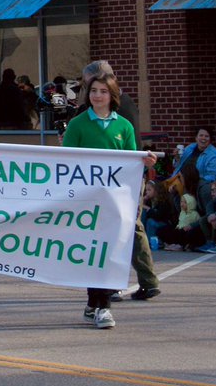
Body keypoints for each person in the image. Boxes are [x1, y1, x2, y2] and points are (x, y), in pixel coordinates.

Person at [62, 71, 157, 329]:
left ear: (112, 95)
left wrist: (145, 161)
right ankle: (98, 303)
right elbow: (66, 160)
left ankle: (100, 305)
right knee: (94, 251)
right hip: (87, 198)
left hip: (116, 200)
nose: (97, 96)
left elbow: (132, 160)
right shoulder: (78, 124)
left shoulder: (123, 126)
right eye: (93, 91)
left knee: (109, 250)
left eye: (103, 91)